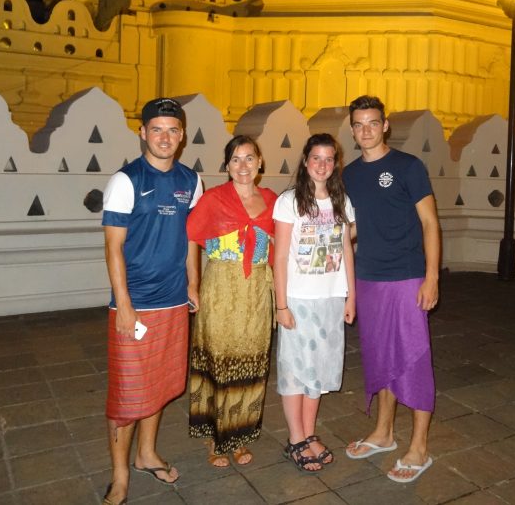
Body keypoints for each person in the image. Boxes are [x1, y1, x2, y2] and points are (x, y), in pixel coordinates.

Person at [100, 98, 203, 504]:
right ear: (142, 132)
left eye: (173, 130)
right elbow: (112, 248)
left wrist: (193, 282)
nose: (165, 138)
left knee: (159, 384)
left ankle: (146, 454)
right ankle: (120, 474)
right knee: (127, 393)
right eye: (157, 129)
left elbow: (193, 237)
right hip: (136, 304)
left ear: (182, 135)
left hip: (174, 302)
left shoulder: (191, 181)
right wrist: (123, 304)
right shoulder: (125, 180)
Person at [342, 95, 441, 484]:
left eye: (372, 123)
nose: (365, 130)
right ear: (352, 130)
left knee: (414, 359)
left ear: (385, 126)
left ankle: (419, 446)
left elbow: (431, 223)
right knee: (380, 357)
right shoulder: (349, 175)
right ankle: (383, 433)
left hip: (405, 276)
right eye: (358, 124)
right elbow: (353, 228)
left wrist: (431, 277)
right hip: (368, 278)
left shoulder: (408, 167)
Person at [186, 135, 277, 467]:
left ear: (260, 162)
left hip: (256, 292)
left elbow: (279, 250)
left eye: (249, 158)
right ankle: (215, 439)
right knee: (218, 363)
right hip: (221, 290)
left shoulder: (271, 200)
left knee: (252, 362)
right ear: (227, 166)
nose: (243, 166)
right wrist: (193, 284)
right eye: (236, 160)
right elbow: (190, 239)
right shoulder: (213, 199)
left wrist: (280, 297)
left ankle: (240, 435)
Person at [273, 133, 356, 472]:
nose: (322, 165)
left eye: (329, 158)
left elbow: (347, 249)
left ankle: (309, 434)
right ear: (305, 161)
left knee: (318, 370)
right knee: (295, 370)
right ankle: (295, 439)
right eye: (316, 158)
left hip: (330, 298)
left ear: (335, 164)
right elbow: (279, 258)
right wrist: (281, 305)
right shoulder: (289, 201)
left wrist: (351, 295)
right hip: (299, 298)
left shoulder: (342, 202)